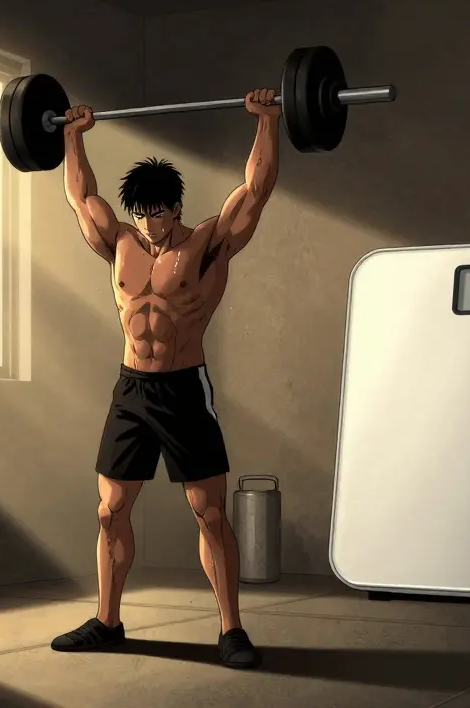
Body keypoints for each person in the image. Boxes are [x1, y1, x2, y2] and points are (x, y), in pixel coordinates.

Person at [49, 89, 281, 670]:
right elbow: (80, 196)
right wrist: (72, 135)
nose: (150, 224)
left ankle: (231, 630)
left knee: (209, 511)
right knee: (109, 510)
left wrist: (267, 121)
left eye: (159, 213)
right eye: (141, 213)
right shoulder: (121, 244)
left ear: (177, 208)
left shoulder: (208, 244)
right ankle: (108, 622)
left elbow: (255, 191)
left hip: (183, 389)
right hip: (131, 390)